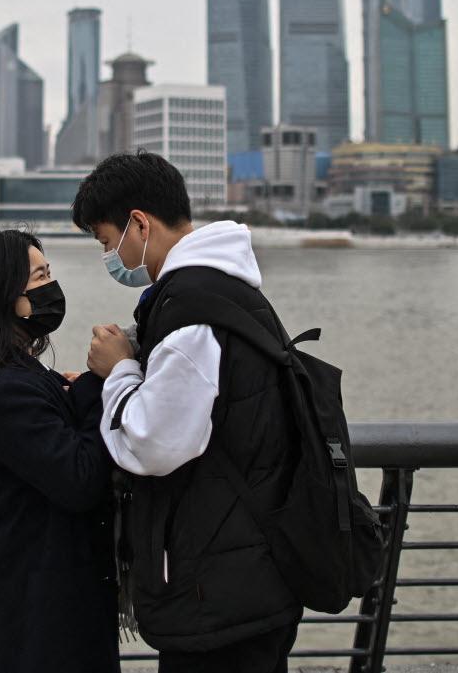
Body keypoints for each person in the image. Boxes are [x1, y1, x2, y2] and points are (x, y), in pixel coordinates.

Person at [74, 152, 302, 673]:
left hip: (219, 592)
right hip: (245, 571)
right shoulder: (225, 288)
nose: (110, 257)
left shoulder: (191, 309)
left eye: (108, 242)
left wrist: (119, 372)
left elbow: (153, 443)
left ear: (139, 223)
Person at [0, 229, 120, 673]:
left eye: (49, 272)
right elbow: (79, 480)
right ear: (4, 295)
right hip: (36, 610)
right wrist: (102, 382)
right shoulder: (6, 389)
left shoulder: (14, 376)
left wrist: (76, 392)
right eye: (39, 276)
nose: (51, 286)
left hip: (35, 595)